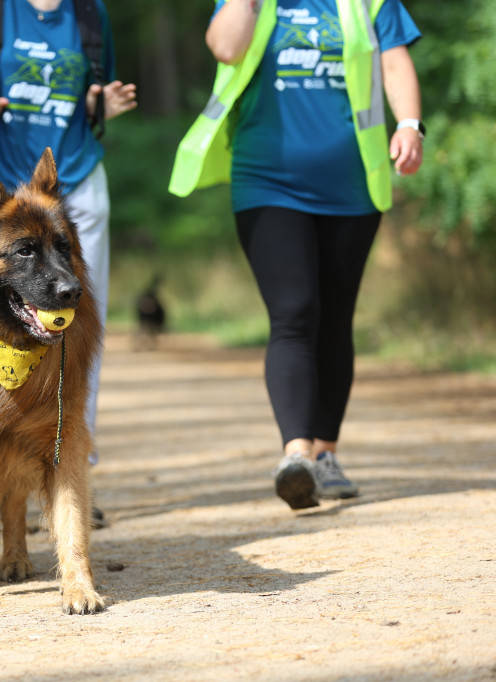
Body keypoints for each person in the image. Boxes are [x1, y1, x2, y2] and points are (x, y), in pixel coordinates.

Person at [170, 0, 424, 510]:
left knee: (334, 317)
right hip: (267, 181)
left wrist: (409, 124)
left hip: (353, 182)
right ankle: (297, 455)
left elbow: (392, 61)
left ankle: (326, 454)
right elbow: (225, 46)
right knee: (294, 312)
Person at [0, 0, 137, 523]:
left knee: (76, 326)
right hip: (1, 194)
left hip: (69, 183)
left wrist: (99, 105)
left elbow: (86, 93)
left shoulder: (89, 13)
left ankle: (66, 466)